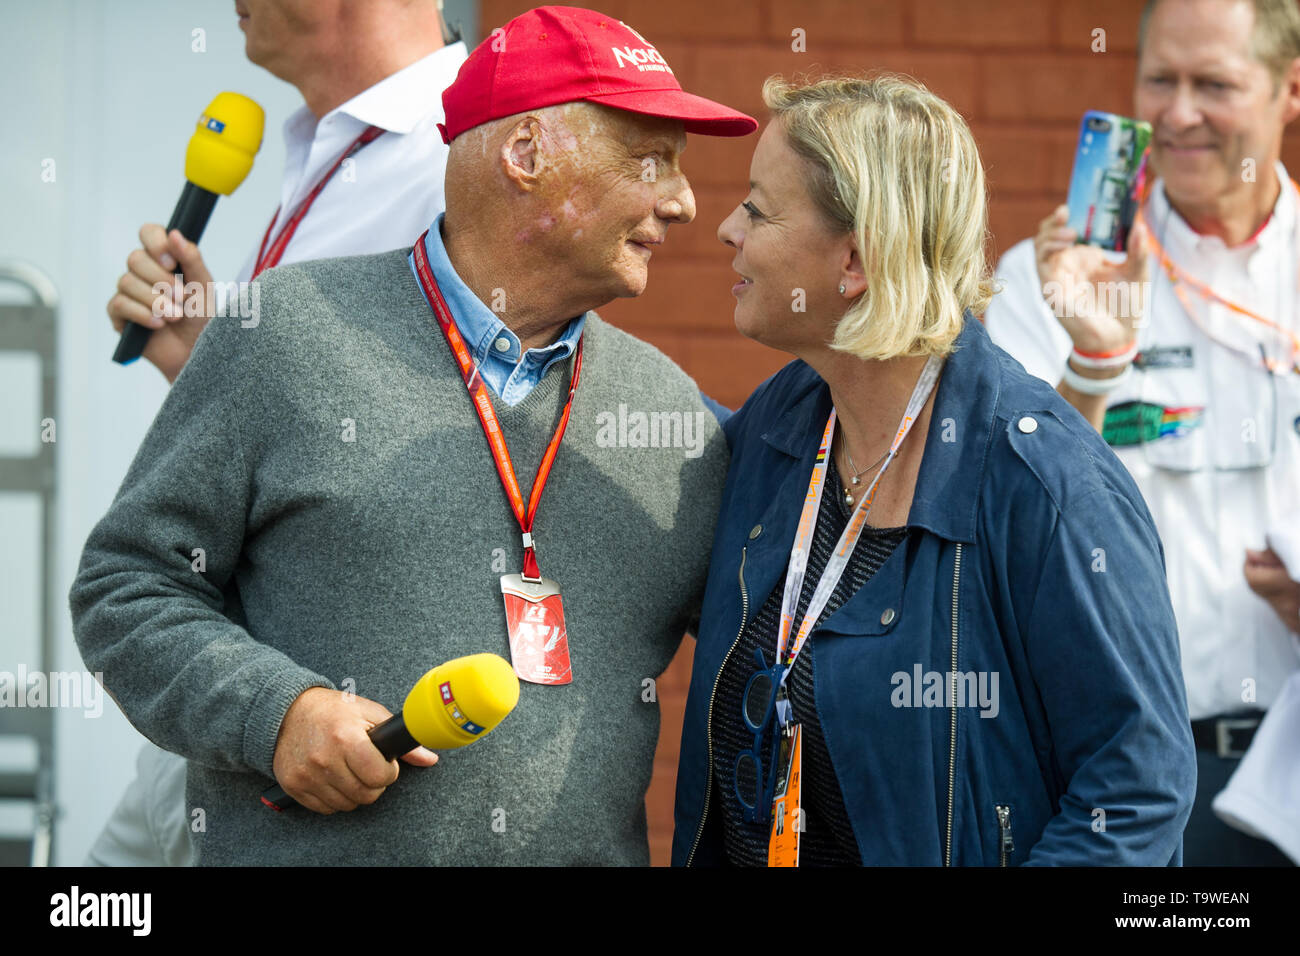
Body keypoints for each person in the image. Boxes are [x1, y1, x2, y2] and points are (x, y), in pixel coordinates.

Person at [71, 5, 756, 865]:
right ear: (527, 155)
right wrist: (279, 714)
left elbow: (778, 655)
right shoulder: (285, 330)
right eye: (650, 159)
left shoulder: (673, 418)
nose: (686, 203)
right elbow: (125, 587)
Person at [672, 74, 1196, 866]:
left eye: (758, 207)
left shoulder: (1048, 485)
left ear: (854, 260)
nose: (725, 229)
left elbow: (1134, 794)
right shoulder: (784, 422)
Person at [90, 0, 468, 866]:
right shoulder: (323, 142)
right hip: (221, 698)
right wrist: (207, 366)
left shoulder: (461, 145)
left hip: (320, 738)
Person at [983, 0, 1300, 865]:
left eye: (1215, 84)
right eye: (1159, 78)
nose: (1177, 111)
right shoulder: (1048, 278)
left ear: (1289, 89)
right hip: (1128, 783)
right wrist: (1091, 359)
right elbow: (989, 510)